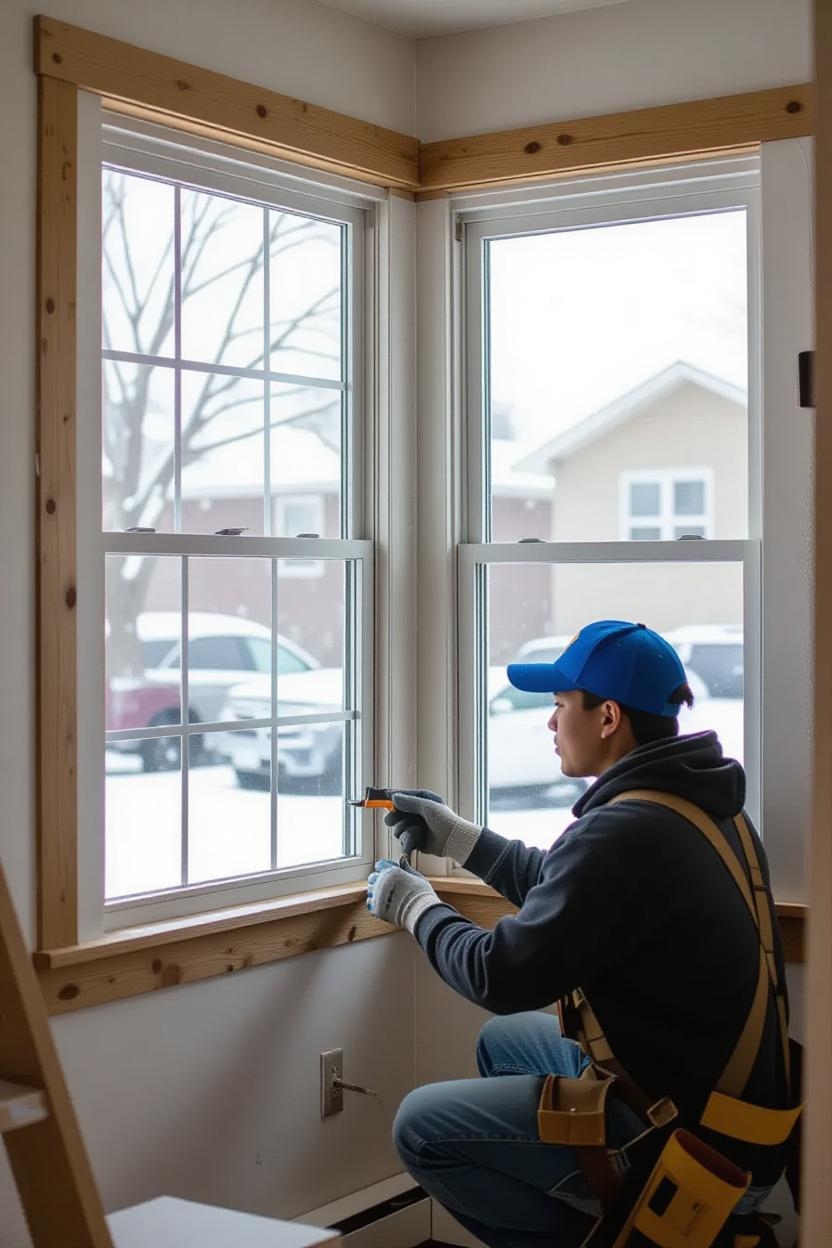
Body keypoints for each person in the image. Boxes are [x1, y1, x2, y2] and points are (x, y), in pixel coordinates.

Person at [366, 620, 792, 1248]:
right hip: (734, 1119)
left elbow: (499, 974)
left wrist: (416, 909)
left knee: (419, 1128)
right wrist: (459, 838)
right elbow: (574, 887)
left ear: (608, 717)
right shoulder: (694, 803)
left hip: (697, 1149)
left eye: (561, 704)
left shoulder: (625, 832)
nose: (550, 721)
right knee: (505, 1044)